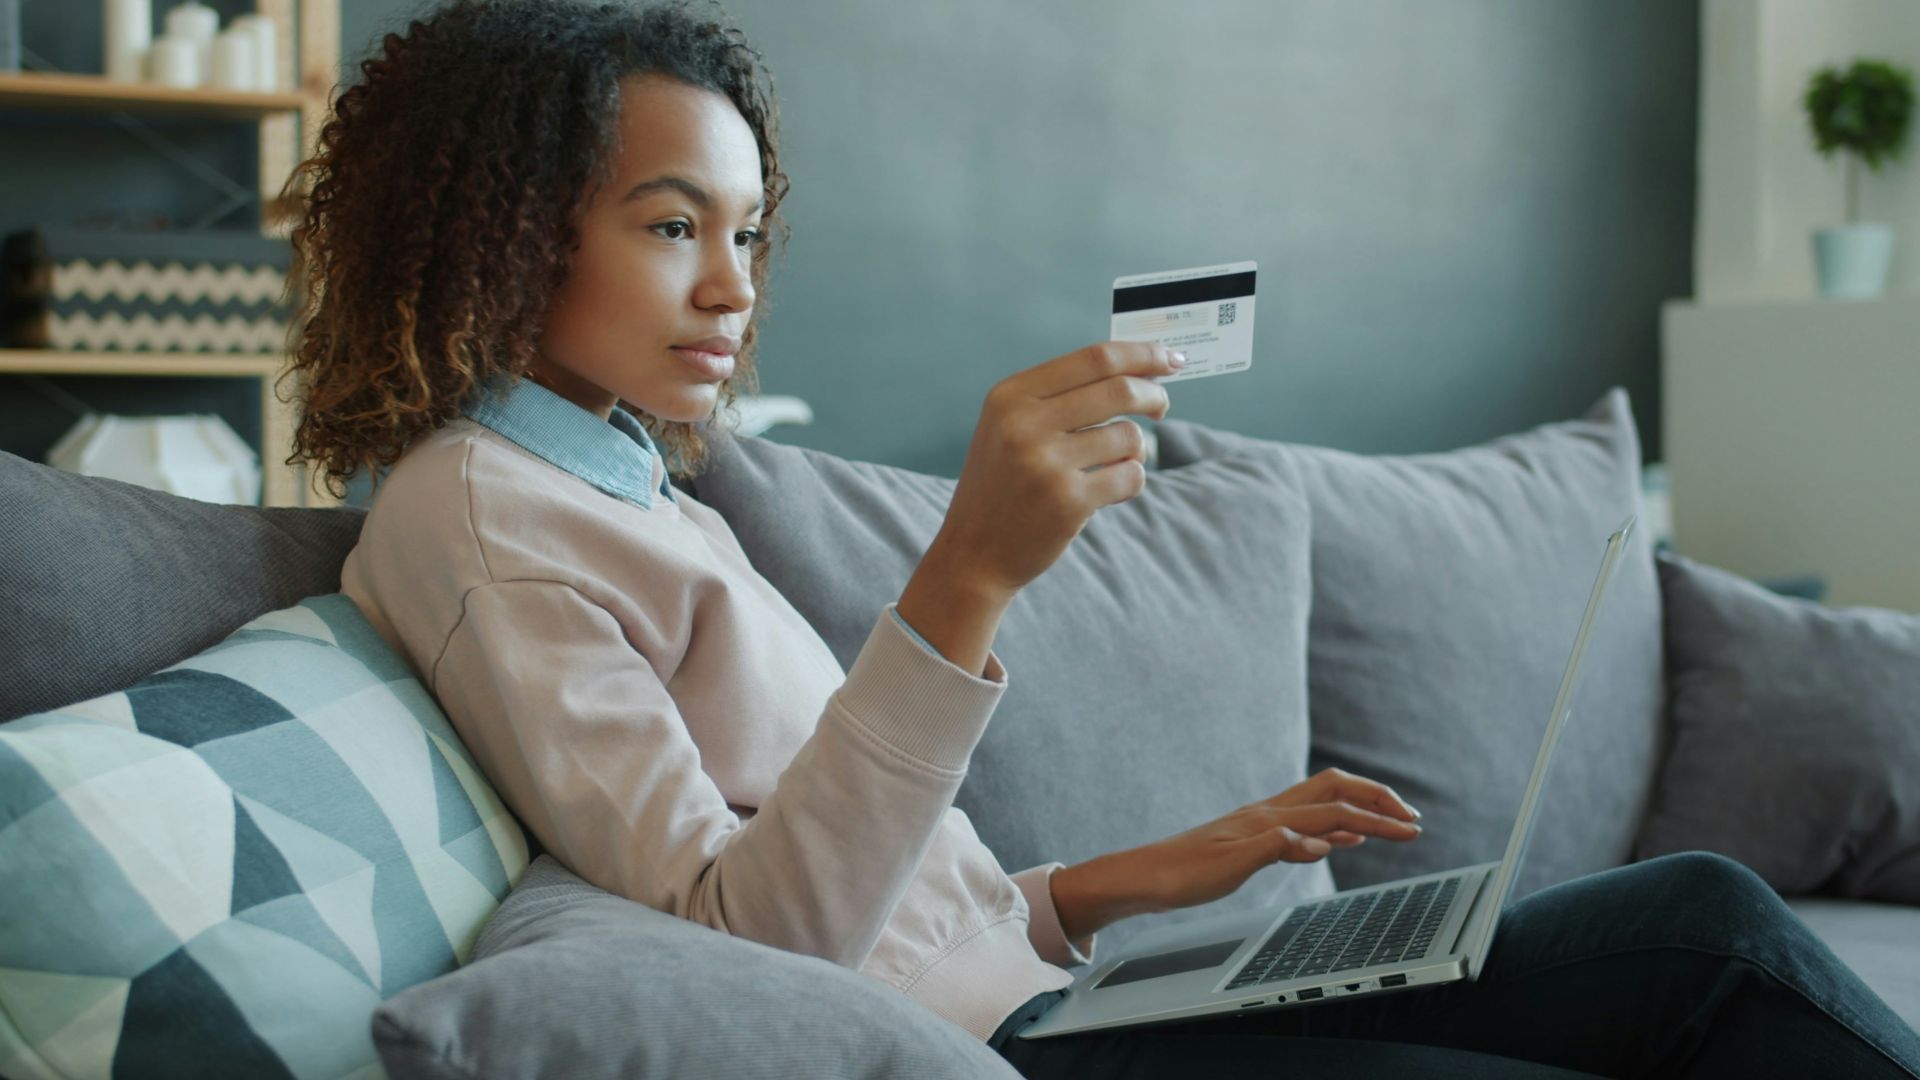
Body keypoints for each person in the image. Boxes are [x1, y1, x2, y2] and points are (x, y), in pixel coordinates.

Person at [284, 1, 1920, 1076]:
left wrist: (1157, 873)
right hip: (1042, 1057)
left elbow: (890, 903)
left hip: (1080, 1001)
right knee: (1690, 968)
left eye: (748, 234)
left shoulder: (622, 485)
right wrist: (967, 576)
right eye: (670, 226)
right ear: (505, 234)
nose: (732, 286)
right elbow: (751, 944)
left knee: (1697, 922)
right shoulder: (478, 516)